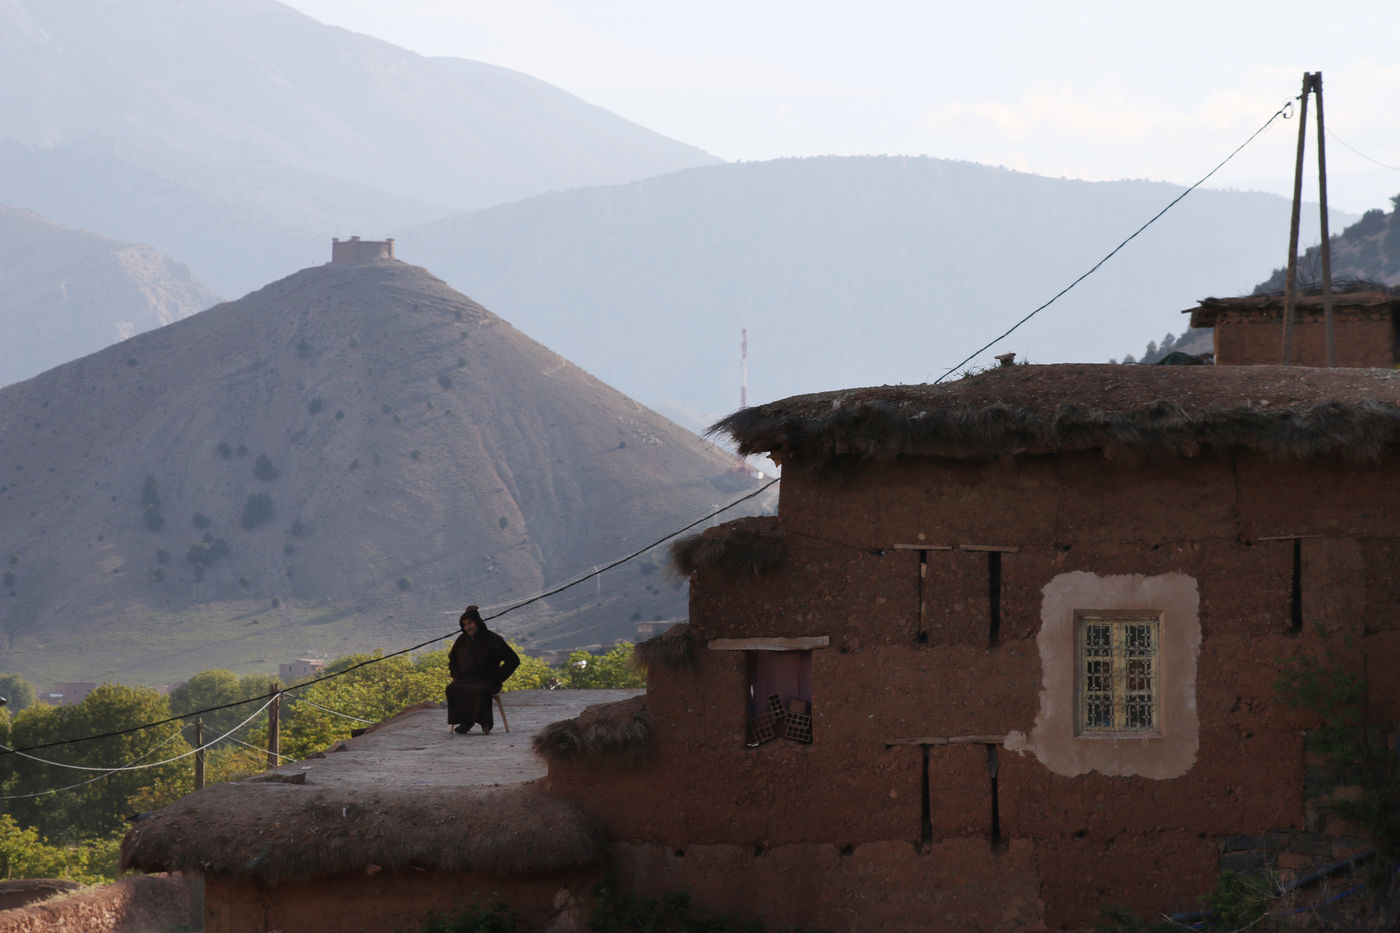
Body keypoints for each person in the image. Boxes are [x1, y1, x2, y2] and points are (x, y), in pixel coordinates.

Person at [445, 605, 519, 734]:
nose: (468, 627)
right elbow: (452, 659)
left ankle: (485, 723)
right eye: (465, 624)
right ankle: (466, 722)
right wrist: (456, 675)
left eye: (470, 623)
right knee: (452, 688)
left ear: (478, 622)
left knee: (479, 690)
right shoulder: (462, 640)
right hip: (465, 679)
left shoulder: (493, 639)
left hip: (487, 680)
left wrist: (498, 677)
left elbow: (513, 660)